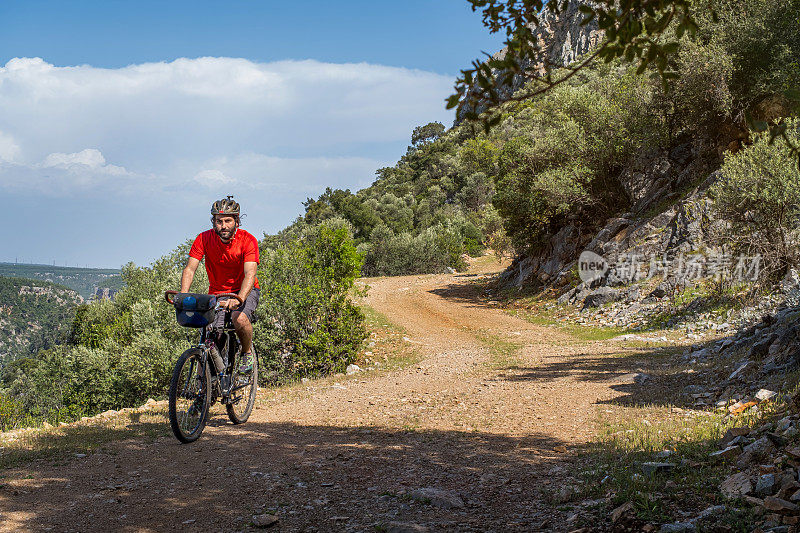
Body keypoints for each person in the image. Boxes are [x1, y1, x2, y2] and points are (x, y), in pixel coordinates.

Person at [180, 196, 259, 374]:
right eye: (219, 221)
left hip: (244, 290)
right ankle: (204, 391)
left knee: (239, 319)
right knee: (210, 335)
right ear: (213, 222)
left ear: (237, 221)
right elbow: (190, 269)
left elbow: (250, 274)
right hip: (217, 293)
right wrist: (183, 295)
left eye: (228, 221)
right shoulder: (203, 238)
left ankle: (247, 355)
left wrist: (240, 299)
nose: (223, 226)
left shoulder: (248, 240)